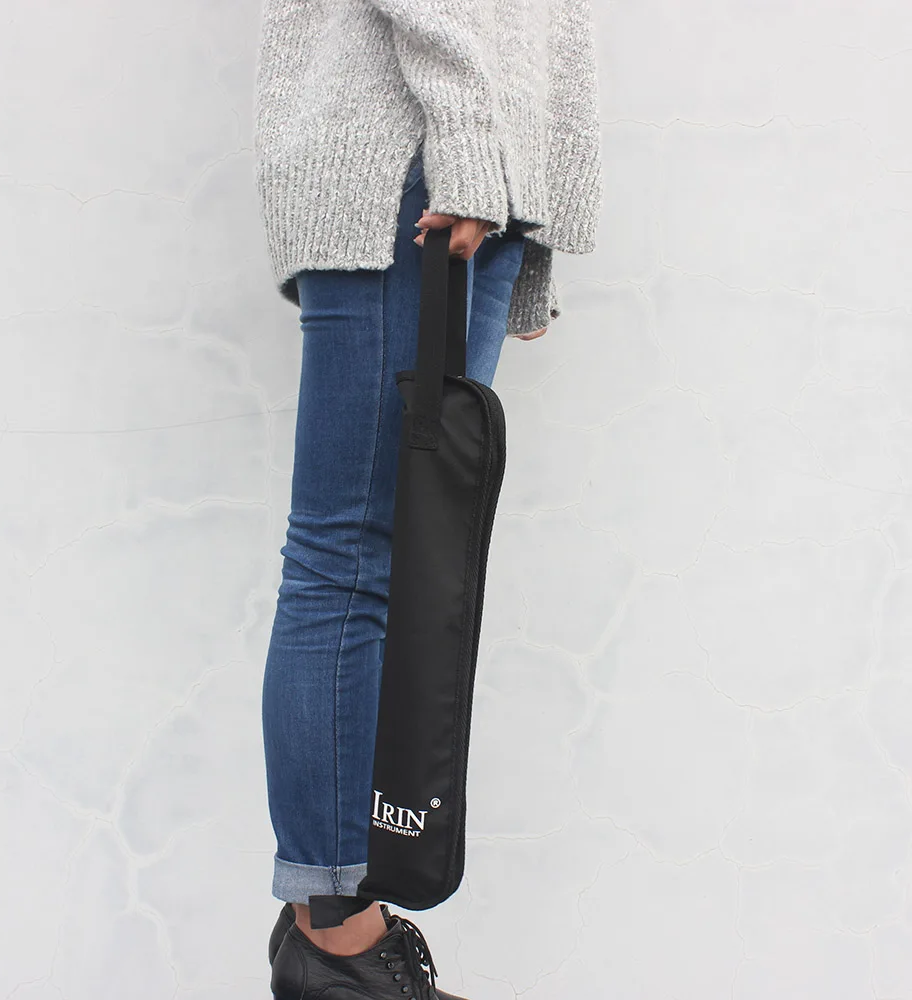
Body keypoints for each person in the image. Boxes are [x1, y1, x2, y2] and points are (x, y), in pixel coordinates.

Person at [253, 1, 601, 995]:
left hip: (461, 169)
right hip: (415, 159)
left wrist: (517, 207)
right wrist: (471, 146)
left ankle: (332, 926)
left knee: (379, 556)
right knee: (350, 559)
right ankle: (336, 939)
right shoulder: (447, 144)